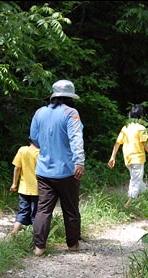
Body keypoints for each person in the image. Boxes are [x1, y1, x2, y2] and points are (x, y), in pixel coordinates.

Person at [29, 79, 85, 257]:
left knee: (43, 210)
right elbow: (76, 138)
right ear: (70, 97)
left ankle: (39, 248)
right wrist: (79, 162)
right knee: (70, 208)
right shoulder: (71, 113)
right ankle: (72, 244)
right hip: (68, 171)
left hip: (44, 171)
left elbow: (34, 138)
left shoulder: (39, 112)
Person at [108, 104, 148, 208]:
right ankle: (128, 204)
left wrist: (112, 157)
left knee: (137, 179)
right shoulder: (141, 128)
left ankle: (147, 195)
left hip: (127, 159)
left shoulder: (125, 127)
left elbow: (117, 143)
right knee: (135, 180)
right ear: (141, 116)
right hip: (138, 158)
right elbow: (145, 143)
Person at [9, 137, 40, 235]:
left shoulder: (22, 150)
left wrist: (14, 183)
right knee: (36, 214)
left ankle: (15, 230)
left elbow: (17, 168)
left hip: (23, 188)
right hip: (38, 189)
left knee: (22, 211)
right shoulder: (41, 153)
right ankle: (36, 237)